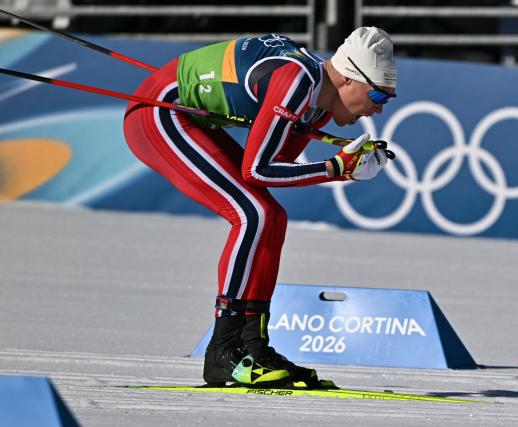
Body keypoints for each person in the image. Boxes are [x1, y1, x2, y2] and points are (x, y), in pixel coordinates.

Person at [123, 27, 397, 387]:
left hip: (188, 114)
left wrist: (317, 141)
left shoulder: (319, 105)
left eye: (386, 99)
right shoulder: (298, 81)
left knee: (273, 217)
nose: (378, 106)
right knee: (253, 213)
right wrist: (335, 168)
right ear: (347, 79)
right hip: (158, 113)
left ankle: (252, 346)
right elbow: (256, 170)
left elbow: (276, 160)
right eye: (378, 94)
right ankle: (223, 352)